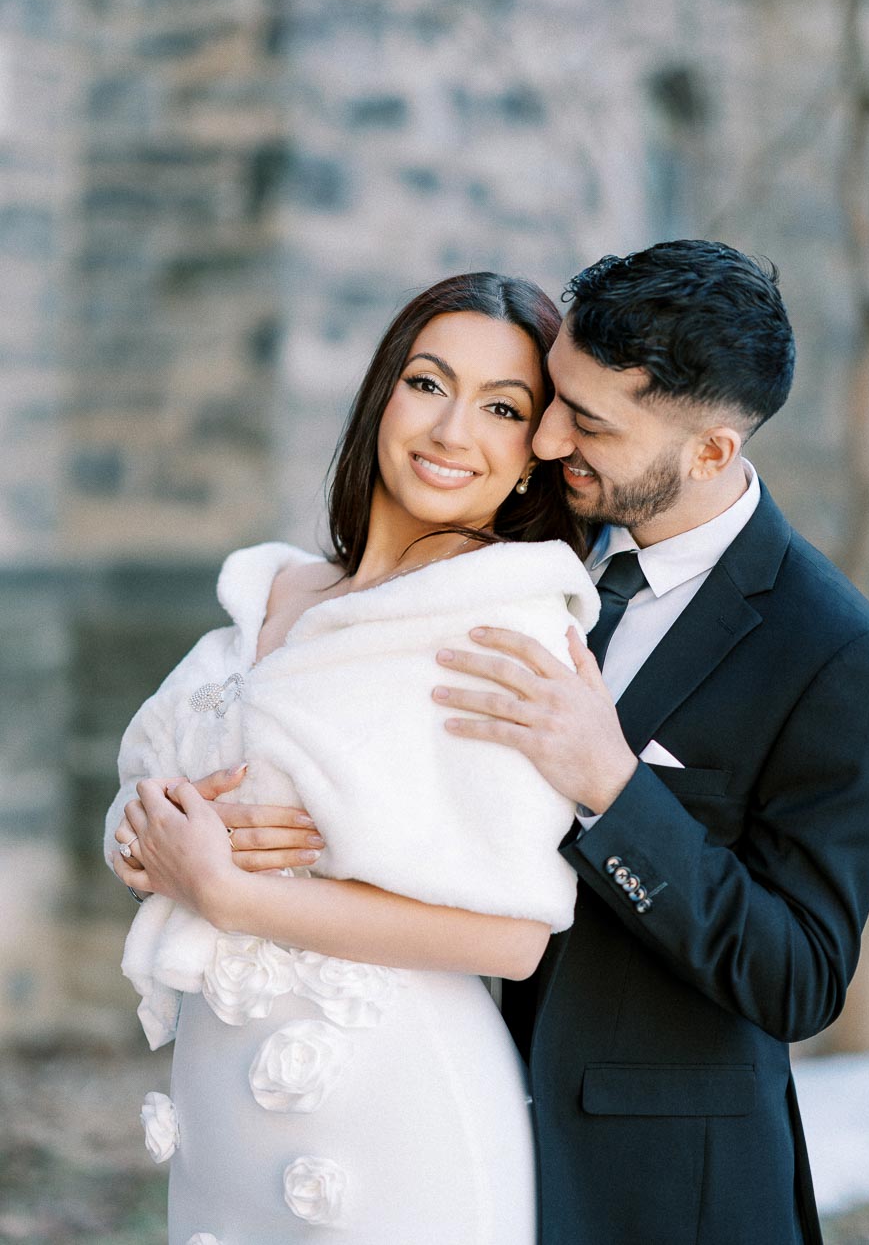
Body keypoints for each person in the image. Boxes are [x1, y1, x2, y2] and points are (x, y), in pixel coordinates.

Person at [104, 272, 600, 1245]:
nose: (453, 430)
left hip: (390, 1108)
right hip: (221, 1112)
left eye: (503, 407)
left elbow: (513, 936)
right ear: (383, 395)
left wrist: (234, 894)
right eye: (428, 383)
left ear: (536, 454)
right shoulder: (274, 589)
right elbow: (154, 789)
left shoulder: (501, 622)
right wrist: (140, 838)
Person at [430, 240, 869, 1245]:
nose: (549, 440)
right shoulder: (522, 541)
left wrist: (613, 788)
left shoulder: (837, 655)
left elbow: (800, 977)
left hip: (663, 1196)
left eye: (590, 422)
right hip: (451, 1137)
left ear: (711, 454)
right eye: (553, 399)